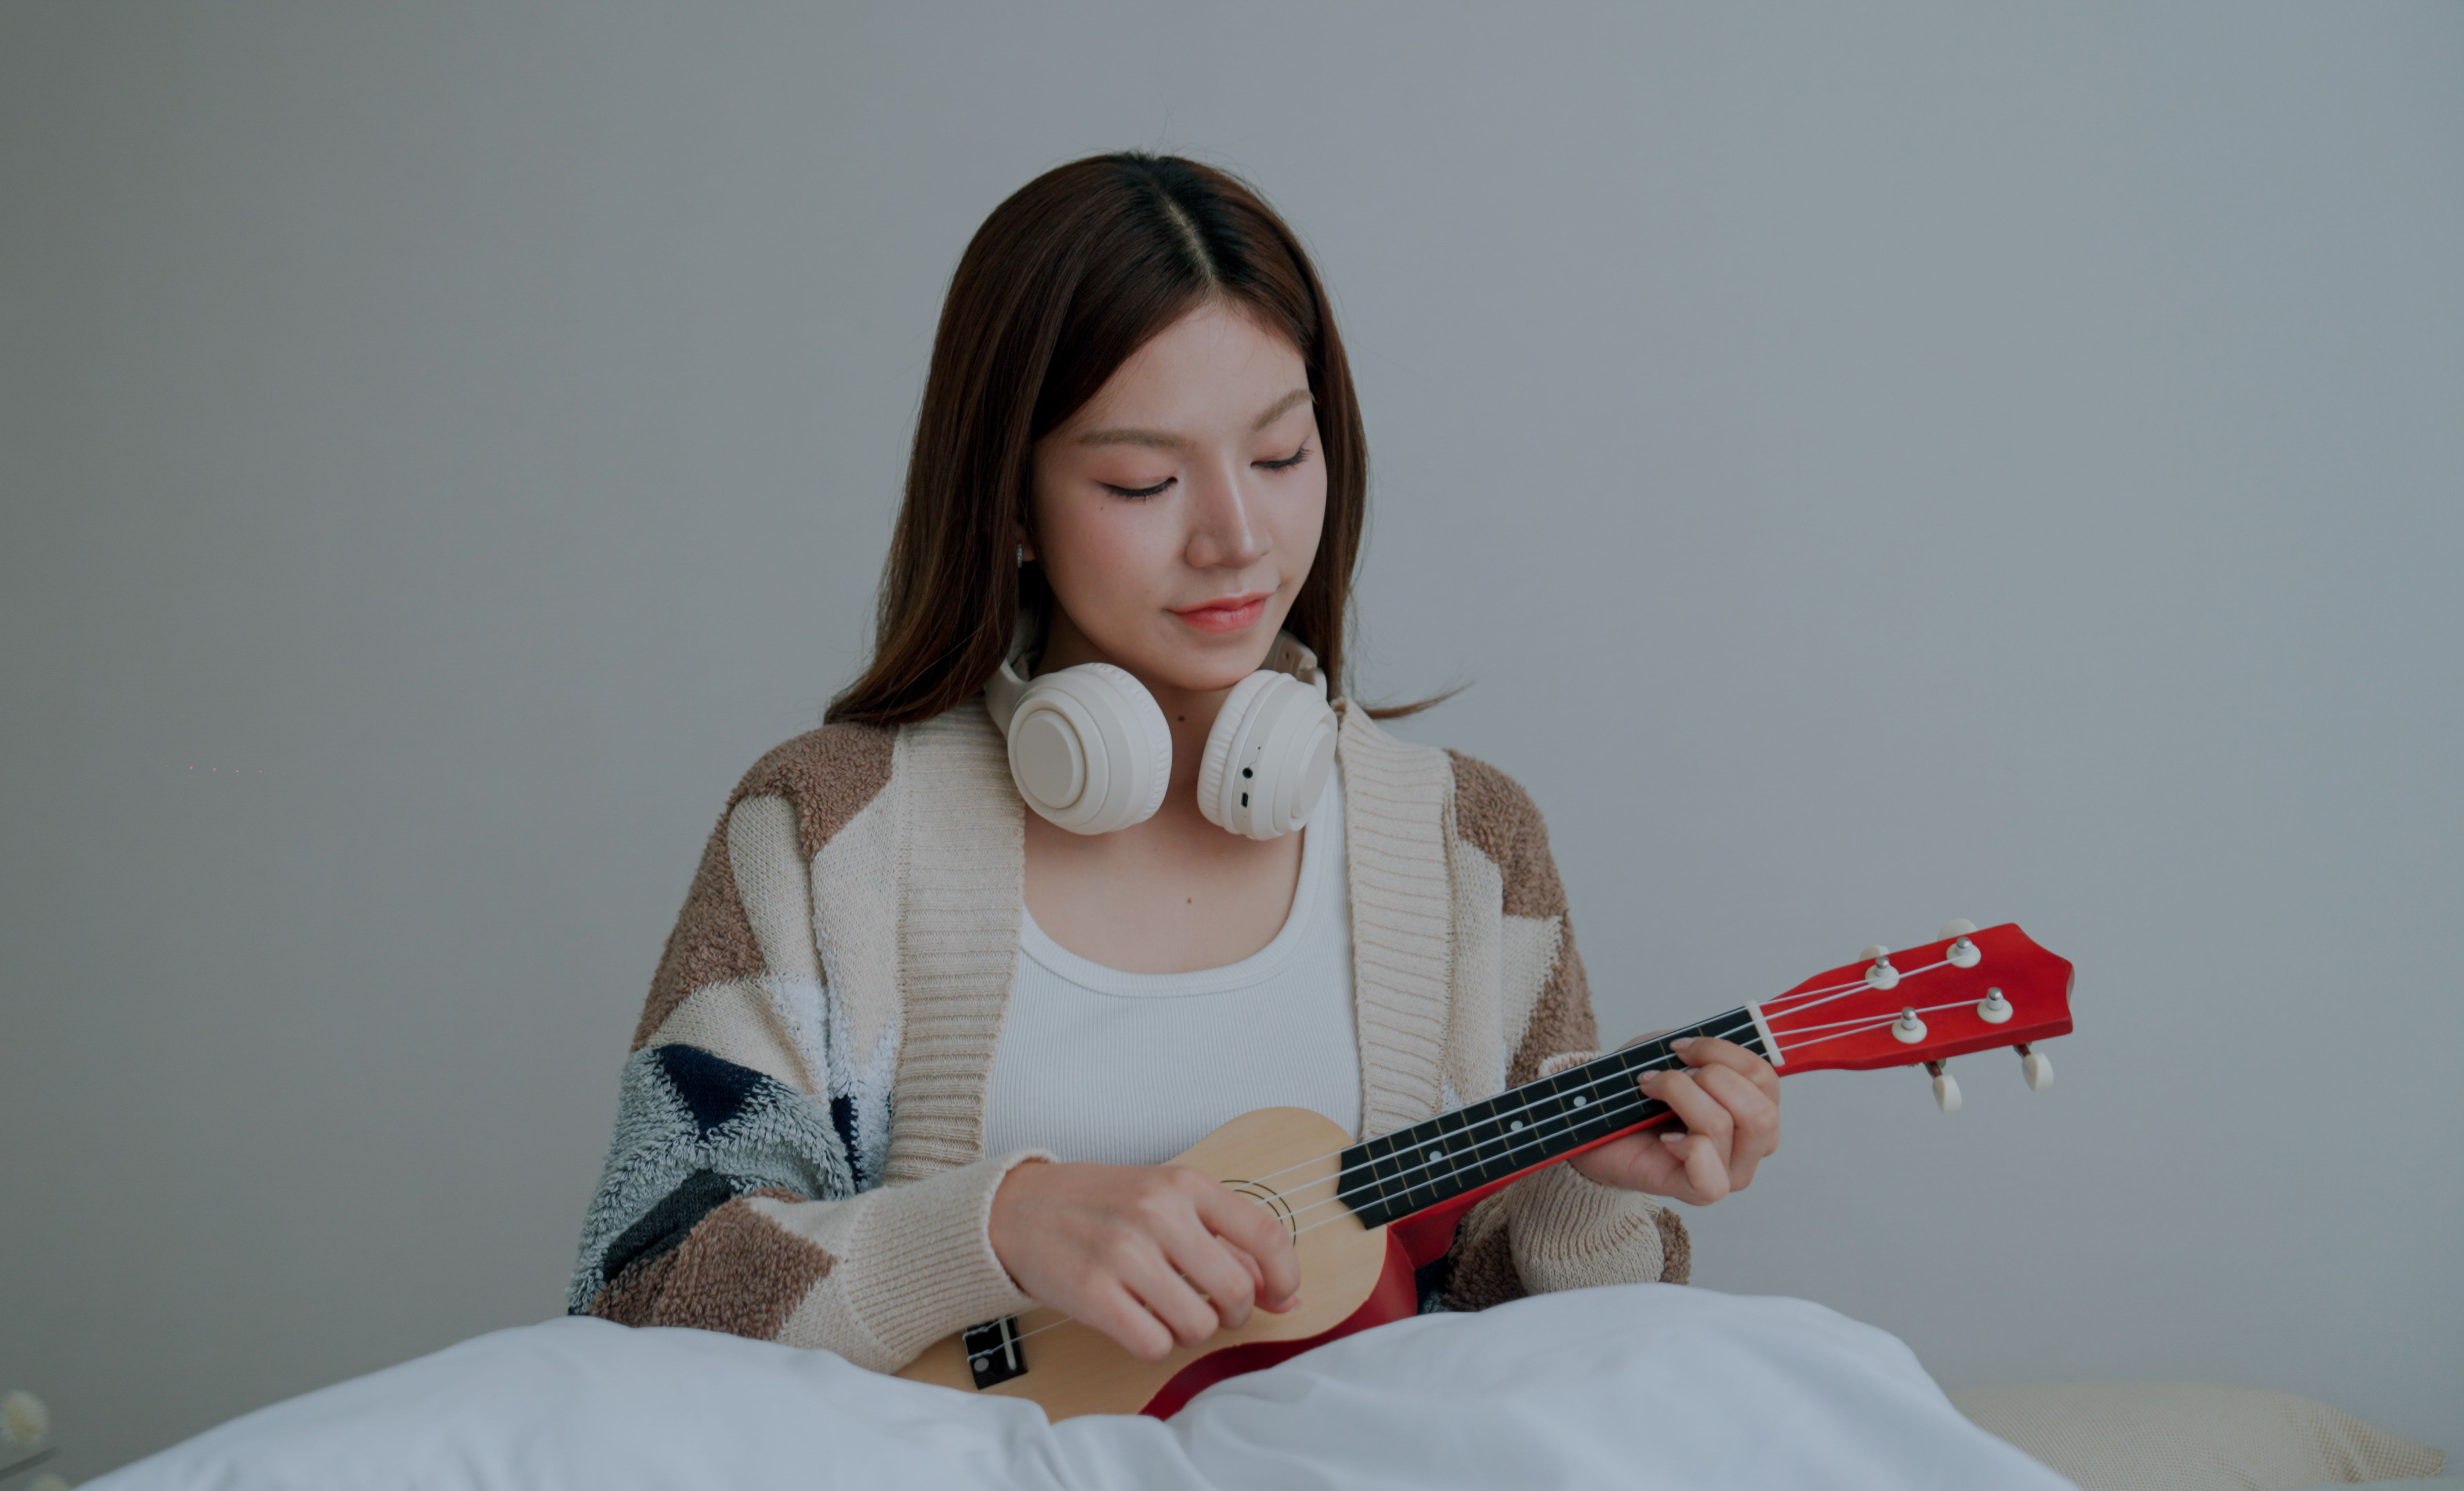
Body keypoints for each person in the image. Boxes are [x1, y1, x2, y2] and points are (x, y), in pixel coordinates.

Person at [565, 153, 1781, 1375]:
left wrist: (1579, 1191)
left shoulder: (1469, 845)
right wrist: (992, 1227)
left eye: (1280, 457)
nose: (1239, 539)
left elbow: (1550, 1369)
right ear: (1013, 509)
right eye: (1143, 479)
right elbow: (643, 1286)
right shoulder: (830, 830)